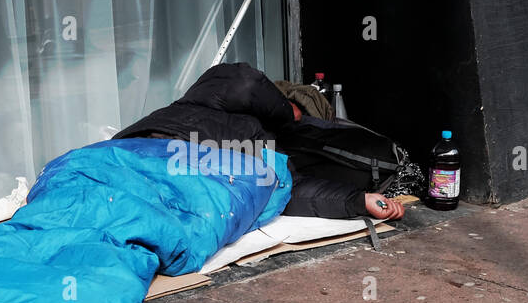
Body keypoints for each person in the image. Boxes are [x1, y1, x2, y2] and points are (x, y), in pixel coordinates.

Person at [115, 62, 406, 221]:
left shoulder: (270, 158)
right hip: (133, 154)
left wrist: (358, 201)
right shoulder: (206, 103)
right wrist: (284, 112)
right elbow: (244, 83)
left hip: (160, 180)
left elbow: (289, 191)